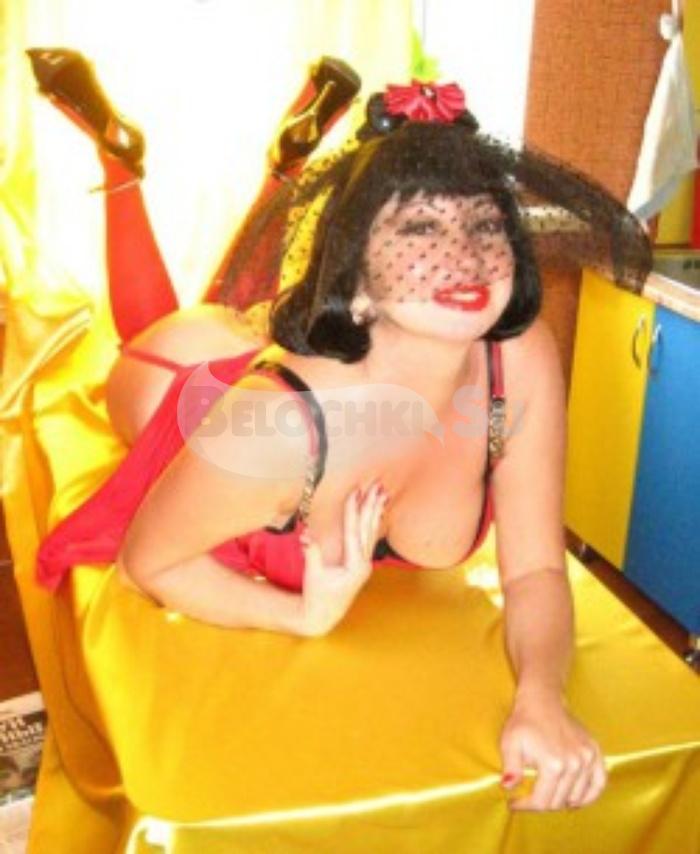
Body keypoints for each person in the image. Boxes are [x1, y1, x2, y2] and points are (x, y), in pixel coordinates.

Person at [29, 52, 651, 812]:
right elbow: (148, 561)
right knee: (158, 326)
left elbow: (536, 572)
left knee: (246, 306)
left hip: (326, 366)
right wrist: (301, 613)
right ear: (355, 285)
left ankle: (285, 162)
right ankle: (122, 165)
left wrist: (543, 700)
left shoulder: (516, 360)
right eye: (420, 228)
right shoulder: (270, 426)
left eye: (485, 223)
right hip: (181, 385)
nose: (464, 255)